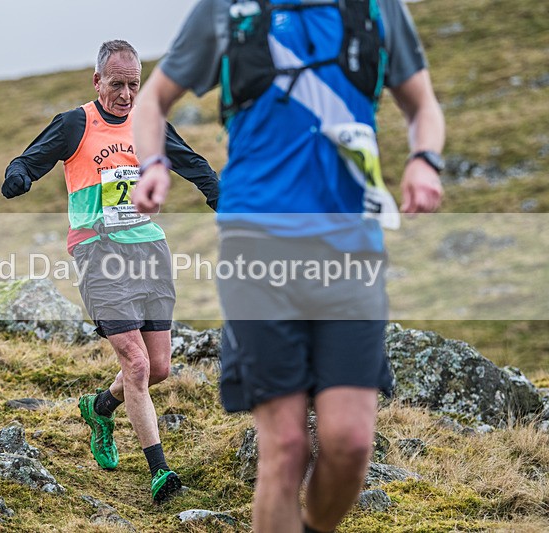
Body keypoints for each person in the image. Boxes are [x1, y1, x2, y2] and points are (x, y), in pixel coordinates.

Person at [132, 0, 444, 531]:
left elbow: (423, 108)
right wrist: (153, 165)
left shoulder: (375, 8)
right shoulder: (228, 11)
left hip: (351, 252)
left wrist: (424, 159)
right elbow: (152, 101)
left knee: (349, 444)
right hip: (257, 245)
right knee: (286, 446)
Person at [1, 40, 219, 503]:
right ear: (97, 80)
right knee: (136, 363)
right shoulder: (75, 123)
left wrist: (217, 193)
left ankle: (100, 408)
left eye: (133, 85)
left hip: (148, 249)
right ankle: (160, 471)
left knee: (158, 367)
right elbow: (29, 159)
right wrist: (18, 176)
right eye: (116, 84)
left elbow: (192, 162)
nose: (125, 94)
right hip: (97, 251)